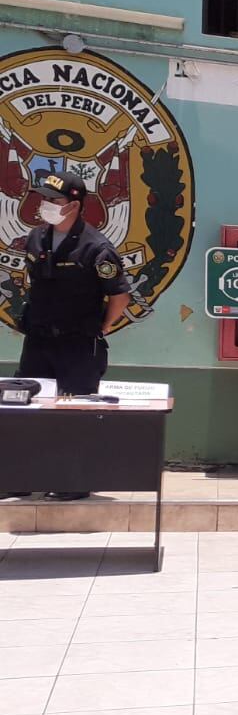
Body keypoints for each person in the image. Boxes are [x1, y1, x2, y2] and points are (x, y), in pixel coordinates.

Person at [7, 170, 133, 501]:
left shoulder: (96, 248)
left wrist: (103, 326)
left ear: (74, 205)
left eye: (53, 200)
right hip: (38, 340)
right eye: (43, 198)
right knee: (24, 407)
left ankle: (72, 481)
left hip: (77, 344)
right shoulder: (36, 237)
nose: (44, 205)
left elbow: (120, 296)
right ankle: (18, 478)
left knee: (75, 412)